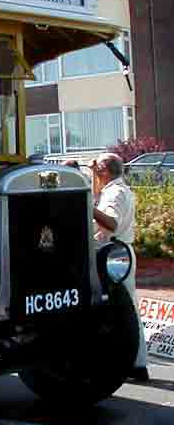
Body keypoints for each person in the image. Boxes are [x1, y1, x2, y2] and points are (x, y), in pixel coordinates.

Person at [90, 153, 148, 382]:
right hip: (120, 252)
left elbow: (111, 223)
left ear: (105, 169)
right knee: (129, 308)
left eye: (97, 169)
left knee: (124, 311)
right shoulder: (119, 189)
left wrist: (88, 207)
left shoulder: (114, 193)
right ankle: (137, 363)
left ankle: (134, 362)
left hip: (115, 254)